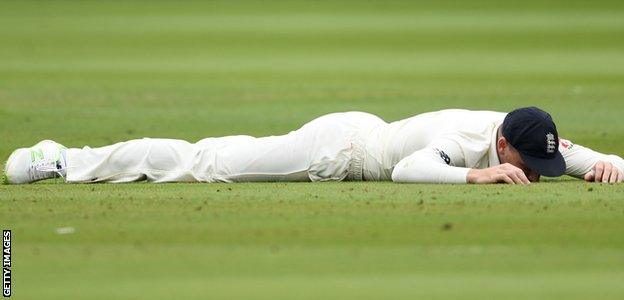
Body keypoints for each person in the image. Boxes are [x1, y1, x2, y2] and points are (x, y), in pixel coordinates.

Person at [3, 107, 623, 185]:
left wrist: (607, 168)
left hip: (360, 134)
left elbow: (583, 156)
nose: (540, 174)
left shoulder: (524, 135)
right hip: (343, 148)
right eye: (526, 163)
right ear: (500, 144)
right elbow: (410, 171)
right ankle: (62, 159)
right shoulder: (465, 141)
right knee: (205, 162)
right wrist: (476, 178)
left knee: (211, 158)